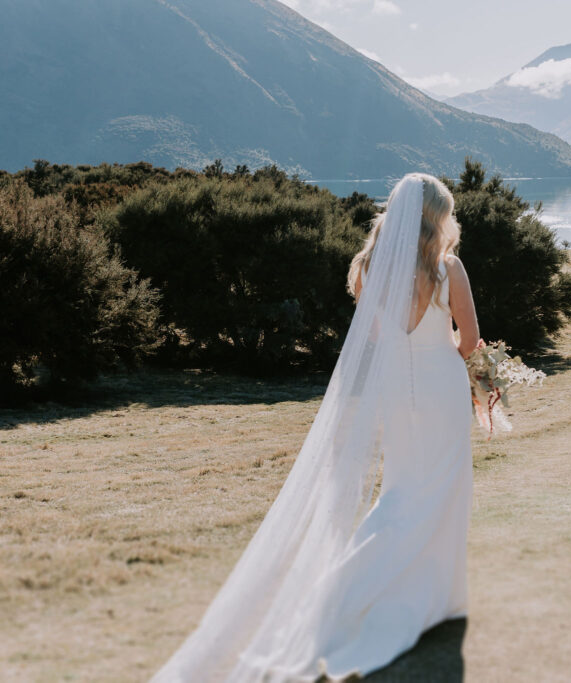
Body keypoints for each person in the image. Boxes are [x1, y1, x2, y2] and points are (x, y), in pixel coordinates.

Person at [151, 173, 482, 682]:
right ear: (439, 216)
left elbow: (374, 333)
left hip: (399, 392)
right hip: (442, 388)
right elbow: (470, 338)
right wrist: (454, 362)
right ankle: (426, 601)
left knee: (399, 492)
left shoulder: (372, 268)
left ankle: (362, 598)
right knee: (442, 490)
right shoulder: (447, 267)